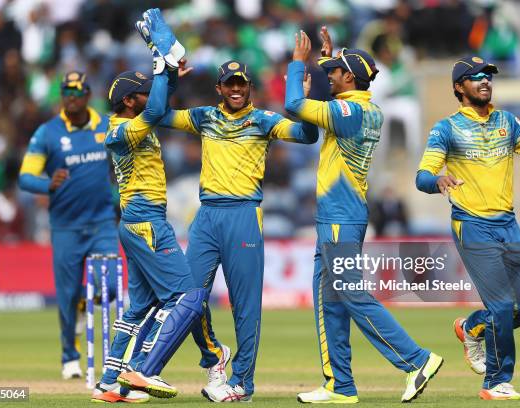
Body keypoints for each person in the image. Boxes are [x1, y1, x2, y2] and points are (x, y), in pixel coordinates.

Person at [285, 28, 443, 404]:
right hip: (337, 215)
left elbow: (294, 104)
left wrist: (297, 63)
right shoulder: (363, 107)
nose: (329, 75)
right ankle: (339, 385)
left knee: (350, 294)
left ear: (349, 78)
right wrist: (327, 59)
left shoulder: (349, 112)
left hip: (341, 216)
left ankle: (416, 360)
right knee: (330, 301)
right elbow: (337, 84)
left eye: (335, 72)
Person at [158, 59, 318, 402]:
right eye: (229, 84)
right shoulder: (204, 117)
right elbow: (158, 113)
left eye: (241, 84)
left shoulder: (263, 120)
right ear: (219, 88)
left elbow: (307, 135)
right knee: (186, 298)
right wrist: (167, 76)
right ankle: (214, 355)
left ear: (249, 88)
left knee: (245, 307)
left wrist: (303, 105)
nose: (235, 89)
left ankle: (243, 381)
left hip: (244, 215)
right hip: (207, 216)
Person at [416, 56, 520, 400]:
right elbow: (421, 177)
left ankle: (471, 327)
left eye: (488, 76)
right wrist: (438, 180)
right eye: (475, 77)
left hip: (507, 224)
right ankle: (495, 382)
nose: (484, 81)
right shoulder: (446, 128)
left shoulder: (506, 121)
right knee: (500, 307)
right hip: (472, 224)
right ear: (458, 87)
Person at [89, 9, 207, 403]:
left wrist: (168, 73)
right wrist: (162, 68)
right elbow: (155, 110)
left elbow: (156, 102)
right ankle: (141, 370)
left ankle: (109, 382)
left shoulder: (129, 119)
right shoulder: (122, 129)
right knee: (186, 297)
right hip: (145, 221)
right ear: (128, 100)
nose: (151, 95)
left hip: (138, 221)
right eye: (143, 90)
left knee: (139, 306)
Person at [18, 71, 119, 380]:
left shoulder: (105, 125)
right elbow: (25, 177)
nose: (71, 98)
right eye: (66, 92)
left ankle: (85, 308)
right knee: (65, 295)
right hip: (65, 226)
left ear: (88, 95)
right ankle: (69, 357)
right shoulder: (47, 133)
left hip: (102, 222)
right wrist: (48, 183)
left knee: (111, 287)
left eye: (77, 92)